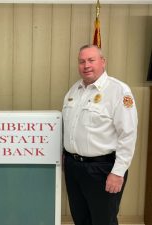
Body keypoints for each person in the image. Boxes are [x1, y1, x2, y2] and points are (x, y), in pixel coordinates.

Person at [62, 44, 138, 225]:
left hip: (103, 169)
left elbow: (128, 134)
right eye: (81, 61)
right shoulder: (74, 90)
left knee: (103, 220)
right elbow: (67, 127)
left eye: (91, 60)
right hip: (74, 168)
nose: (86, 65)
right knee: (80, 218)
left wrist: (118, 172)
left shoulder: (118, 91)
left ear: (103, 62)